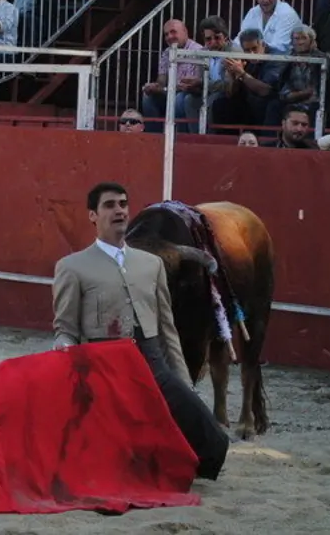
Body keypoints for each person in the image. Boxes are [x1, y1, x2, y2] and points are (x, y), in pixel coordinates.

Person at [52, 182, 228, 480]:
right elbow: (64, 328)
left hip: (151, 360)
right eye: (109, 205)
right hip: (104, 365)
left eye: (123, 204)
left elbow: (167, 329)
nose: (119, 210)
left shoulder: (152, 264)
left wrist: (183, 382)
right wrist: (65, 349)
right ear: (92, 215)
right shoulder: (72, 267)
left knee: (212, 437)